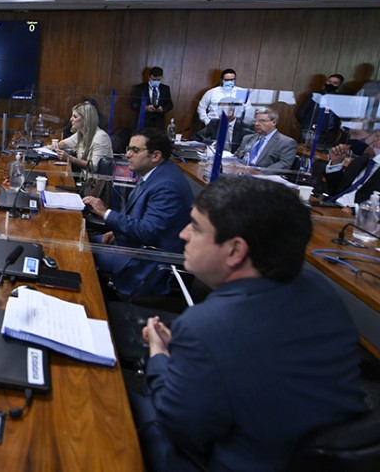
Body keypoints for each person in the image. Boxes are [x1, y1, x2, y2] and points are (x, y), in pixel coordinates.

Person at [133, 176, 367, 472]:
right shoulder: (322, 292)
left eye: (196, 227)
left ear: (235, 251)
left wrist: (159, 354)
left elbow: (181, 428)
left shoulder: (204, 327)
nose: (183, 234)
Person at [82, 128, 193, 298]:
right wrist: (115, 231)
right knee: (79, 239)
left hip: (145, 260)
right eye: (128, 149)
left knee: (79, 253)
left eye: (135, 150)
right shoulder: (156, 174)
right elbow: (142, 218)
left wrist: (106, 213)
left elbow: (148, 232)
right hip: (128, 242)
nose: (127, 155)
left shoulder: (167, 186)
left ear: (155, 156)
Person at [53, 101, 113, 172]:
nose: (71, 119)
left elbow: (94, 167)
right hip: (84, 176)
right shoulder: (81, 133)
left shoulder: (101, 137)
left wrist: (70, 158)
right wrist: (56, 146)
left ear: (86, 119)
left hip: (95, 178)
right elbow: (65, 143)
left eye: (75, 116)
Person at [318, 142, 380, 208]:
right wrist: (336, 162)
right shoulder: (360, 161)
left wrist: (354, 210)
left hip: (356, 212)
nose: (376, 140)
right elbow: (336, 191)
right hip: (331, 204)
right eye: (377, 137)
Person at [295, 73, 345, 147]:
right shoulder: (315, 95)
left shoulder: (340, 99)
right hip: (311, 131)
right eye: (329, 81)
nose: (330, 84)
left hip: (330, 133)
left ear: (339, 85)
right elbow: (300, 113)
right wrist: (307, 126)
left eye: (335, 83)